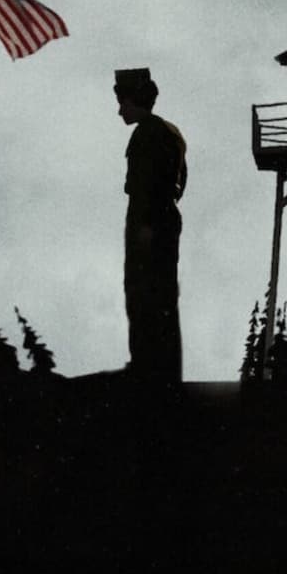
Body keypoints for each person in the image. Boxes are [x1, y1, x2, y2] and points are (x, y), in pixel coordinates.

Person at [114, 67, 186, 385]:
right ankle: (161, 367)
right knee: (163, 297)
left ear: (135, 100)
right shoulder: (170, 132)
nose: (120, 111)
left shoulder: (147, 134)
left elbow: (145, 186)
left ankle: (146, 365)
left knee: (144, 294)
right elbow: (179, 181)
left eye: (123, 103)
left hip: (149, 222)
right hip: (165, 219)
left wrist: (145, 227)